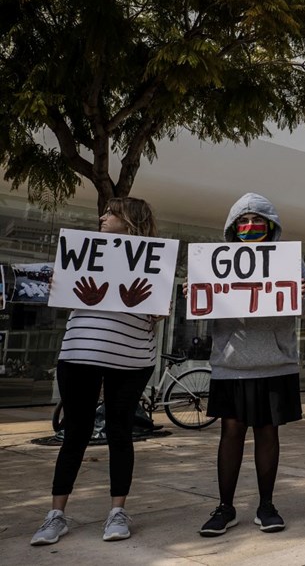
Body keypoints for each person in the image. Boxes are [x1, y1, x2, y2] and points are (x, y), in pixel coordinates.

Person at [31, 198, 162, 546]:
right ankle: (55, 514)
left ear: (130, 220)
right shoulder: (84, 255)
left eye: (111, 213)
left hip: (131, 359)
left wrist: (157, 307)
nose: (102, 217)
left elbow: (156, 314)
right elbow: (61, 295)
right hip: (80, 353)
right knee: (75, 432)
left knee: (120, 431)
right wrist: (57, 284)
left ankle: (117, 512)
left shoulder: (154, 261)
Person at [196, 193, 305, 536]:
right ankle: (225, 507)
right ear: (233, 227)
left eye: (257, 221)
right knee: (230, 434)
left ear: (271, 225)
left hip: (275, 363)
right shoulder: (217, 261)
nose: (250, 226)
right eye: (243, 221)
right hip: (230, 363)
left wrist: (301, 294)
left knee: (268, 433)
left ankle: (266, 506)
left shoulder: (289, 260)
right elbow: (203, 308)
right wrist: (196, 294)